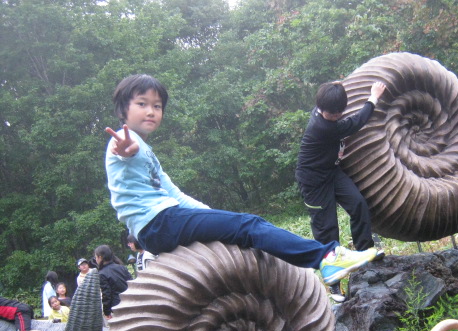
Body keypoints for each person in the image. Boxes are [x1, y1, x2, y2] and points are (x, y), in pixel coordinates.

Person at [104, 74, 377, 291]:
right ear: (123, 109)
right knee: (250, 225)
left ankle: (325, 259)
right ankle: (326, 257)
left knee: (240, 225)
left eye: (157, 106)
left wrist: (212, 216)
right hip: (158, 223)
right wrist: (127, 150)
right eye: (142, 104)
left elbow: (173, 192)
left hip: (160, 223)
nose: (151, 111)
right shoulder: (125, 142)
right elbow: (125, 151)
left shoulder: (147, 151)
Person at [296, 80, 386, 301]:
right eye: (331, 114)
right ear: (321, 108)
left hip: (332, 172)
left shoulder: (324, 108)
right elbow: (357, 121)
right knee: (327, 230)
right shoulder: (323, 127)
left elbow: (334, 97)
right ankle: (333, 284)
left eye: (338, 113)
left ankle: (365, 252)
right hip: (313, 182)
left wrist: (337, 88)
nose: (334, 117)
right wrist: (374, 97)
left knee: (358, 204)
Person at [94, 244, 132, 321]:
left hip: (117, 308)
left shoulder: (102, 274)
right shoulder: (122, 267)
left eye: (96, 257)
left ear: (100, 257)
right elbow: (131, 284)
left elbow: (106, 294)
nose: (95, 260)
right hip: (130, 303)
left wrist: (107, 312)